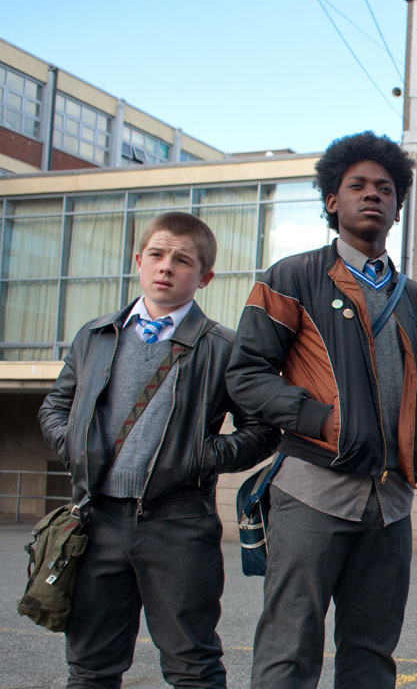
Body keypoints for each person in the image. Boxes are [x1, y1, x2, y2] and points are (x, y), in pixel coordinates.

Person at [226, 132, 417, 689]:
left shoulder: (416, 298)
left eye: (385, 189)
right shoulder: (291, 277)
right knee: (289, 649)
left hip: (390, 503)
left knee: (372, 654)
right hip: (312, 492)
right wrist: (321, 421)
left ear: (398, 207)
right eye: (357, 186)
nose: (372, 195)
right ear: (331, 200)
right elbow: (245, 375)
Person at [38, 212, 278, 689]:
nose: (166, 266)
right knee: (89, 666)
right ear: (138, 261)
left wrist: (199, 458)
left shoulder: (224, 348)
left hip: (180, 524)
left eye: (183, 260)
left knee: (193, 666)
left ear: (205, 277)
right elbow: (55, 407)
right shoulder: (95, 336)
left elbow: (263, 429)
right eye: (157, 254)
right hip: (95, 521)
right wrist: (77, 449)